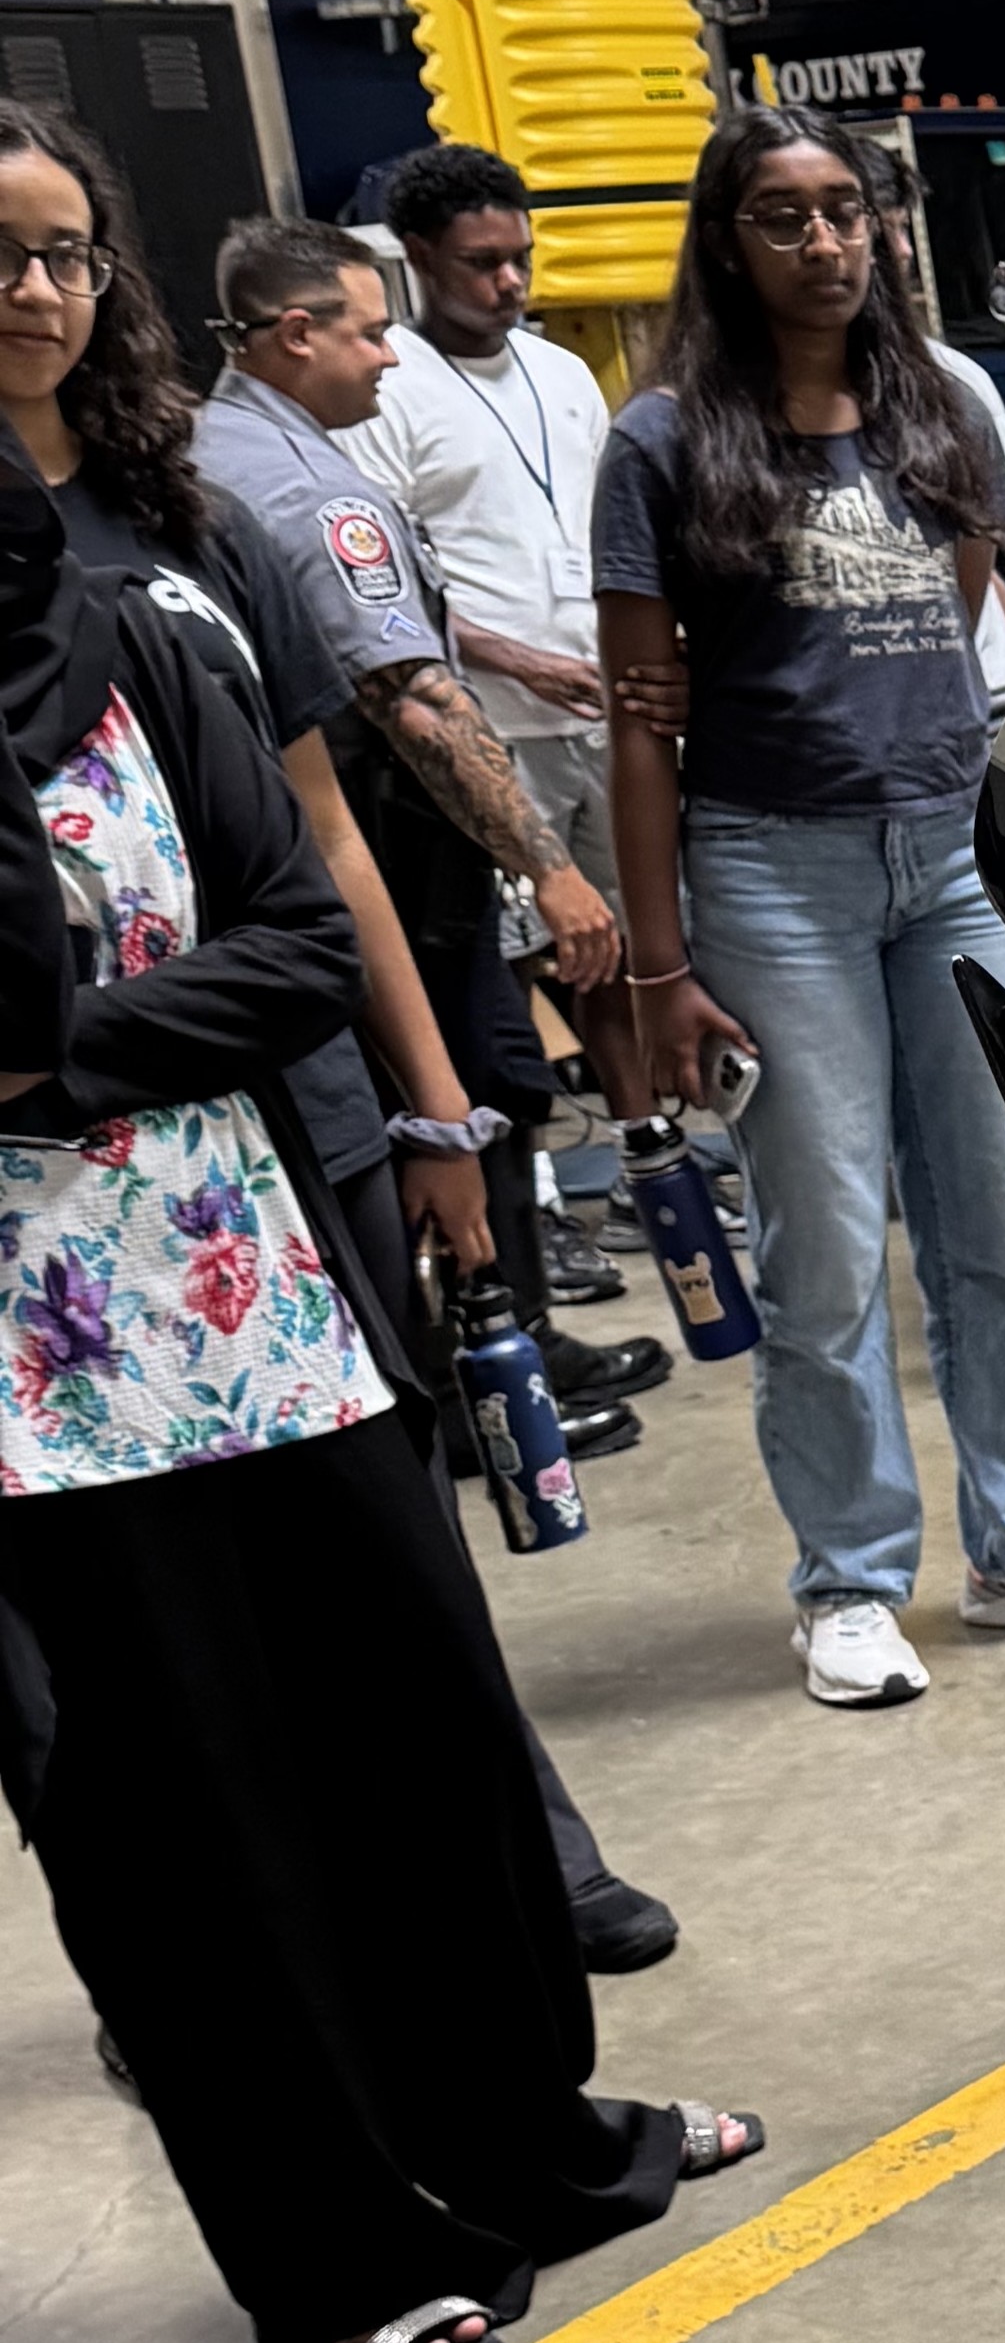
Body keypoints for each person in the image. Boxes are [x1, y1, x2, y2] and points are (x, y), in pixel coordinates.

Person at [2, 436, 752, 2343]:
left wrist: (60, 1056)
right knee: (189, 1831)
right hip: (40, 1394)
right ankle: (330, 2258)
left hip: (262, 1300)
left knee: (419, 1732)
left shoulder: (129, 646)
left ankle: (528, 2142)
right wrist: (148, 1021)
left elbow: (300, 943)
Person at [595, 107, 1005, 1705]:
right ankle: (849, 1581)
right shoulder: (660, 446)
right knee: (831, 1245)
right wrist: (658, 966)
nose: (825, 244)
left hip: (949, 861)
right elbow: (641, 721)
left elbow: (970, 611)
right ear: (729, 242)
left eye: (846, 213)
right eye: (783, 219)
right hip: (769, 873)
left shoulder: (947, 404)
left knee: (1003, 1225)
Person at [188, 212, 678, 1453]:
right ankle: (474, 1385)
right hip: (391, 864)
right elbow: (408, 695)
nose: (391, 357)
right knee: (457, 1099)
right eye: (367, 329)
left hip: (346, 864)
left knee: (487, 1083)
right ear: (295, 335)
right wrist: (552, 868)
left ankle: (511, 1348)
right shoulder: (306, 491)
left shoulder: (223, 451)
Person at [349, 142, 638, 1115]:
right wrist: (512, 657)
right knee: (509, 951)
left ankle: (647, 1140)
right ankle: (534, 1175)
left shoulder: (562, 371)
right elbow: (382, 584)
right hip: (490, 726)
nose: (510, 280)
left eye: (519, 255)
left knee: (620, 943)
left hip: (600, 706)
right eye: (482, 262)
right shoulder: (390, 387)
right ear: (420, 256)